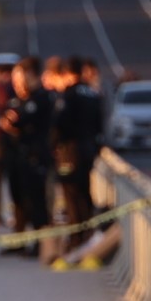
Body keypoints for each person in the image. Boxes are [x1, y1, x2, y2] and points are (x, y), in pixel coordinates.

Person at [0, 58, 53, 255]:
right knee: (18, 200)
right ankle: (19, 240)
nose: (18, 83)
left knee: (36, 201)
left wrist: (13, 122)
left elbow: (19, 120)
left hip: (34, 157)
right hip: (15, 157)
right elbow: (5, 119)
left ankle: (41, 244)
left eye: (21, 78)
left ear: (31, 76)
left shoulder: (42, 97)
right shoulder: (17, 99)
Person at [53, 54, 107, 256]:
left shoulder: (68, 95)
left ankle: (77, 237)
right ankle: (87, 234)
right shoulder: (92, 93)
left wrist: (54, 146)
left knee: (71, 194)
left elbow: (59, 124)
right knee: (85, 191)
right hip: (89, 148)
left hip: (70, 151)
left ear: (66, 73)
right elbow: (100, 122)